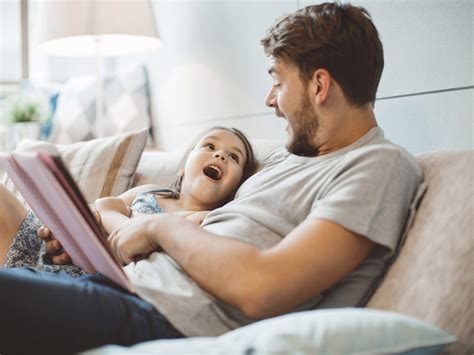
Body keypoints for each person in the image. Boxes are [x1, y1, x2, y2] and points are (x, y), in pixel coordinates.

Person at [0, 3, 423, 354]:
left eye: (277, 81)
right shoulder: (285, 159)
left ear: (319, 86)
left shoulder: (378, 166)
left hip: (161, 317)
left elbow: (261, 286)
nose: (270, 100)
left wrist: (157, 227)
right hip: (121, 285)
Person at [0, 126, 257, 277]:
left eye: (234, 157)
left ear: (235, 188)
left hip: (88, 278)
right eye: (210, 146)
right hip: (58, 254)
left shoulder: (204, 221)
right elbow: (96, 209)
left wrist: (109, 214)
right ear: (182, 167)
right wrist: (63, 230)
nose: (221, 154)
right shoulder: (151, 191)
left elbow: (114, 215)